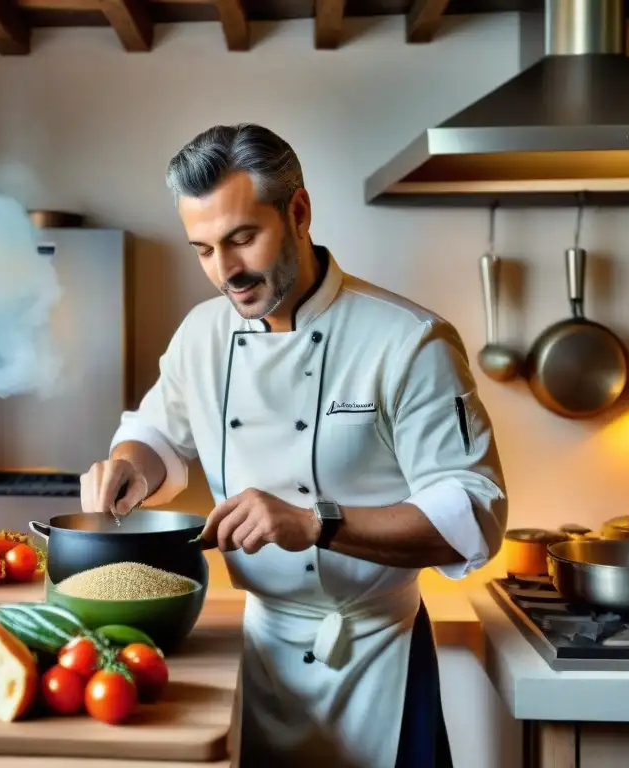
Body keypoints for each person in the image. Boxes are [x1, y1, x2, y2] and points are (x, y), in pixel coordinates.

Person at [79, 123, 507, 768]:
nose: (225, 272)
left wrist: (315, 523)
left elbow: (473, 513)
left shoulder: (410, 340)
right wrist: (126, 467)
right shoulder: (203, 333)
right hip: (259, 651)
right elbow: (157, 433)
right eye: (202, 249)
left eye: (242, 238)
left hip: (377, 655)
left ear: (299, 212)